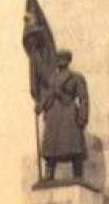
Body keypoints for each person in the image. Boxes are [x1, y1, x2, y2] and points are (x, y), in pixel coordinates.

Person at [37, 50, 89, 181]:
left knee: (74, 146)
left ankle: (78, 174)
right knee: (51, 145)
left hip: (69, 113)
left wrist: (82, 116)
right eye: (58, 59)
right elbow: (47, 96)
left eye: (63, 59)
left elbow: (83, 98)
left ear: (67, 61)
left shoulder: (76, 77)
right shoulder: (52, 79)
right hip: (53, 114)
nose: (60, 62)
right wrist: (41, 106)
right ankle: (49, 173)